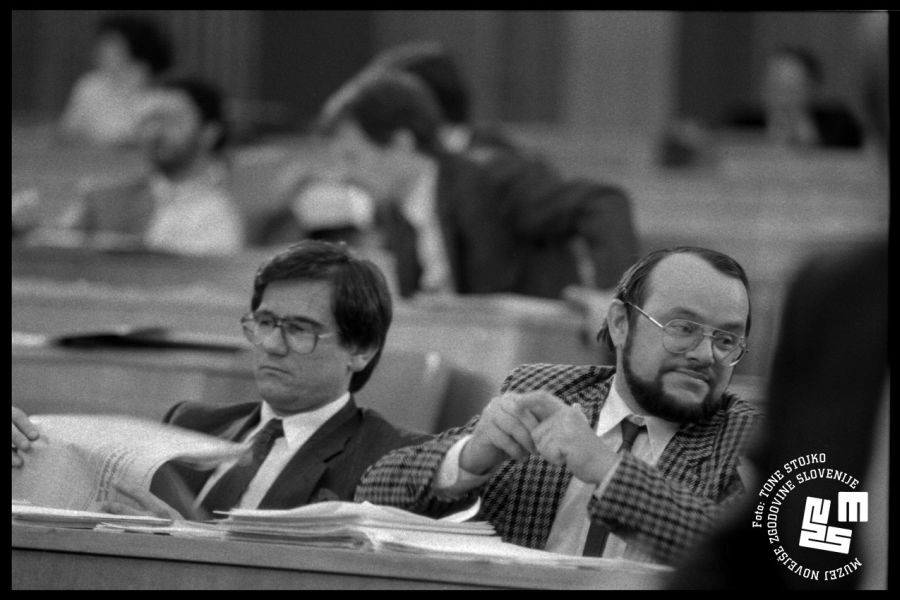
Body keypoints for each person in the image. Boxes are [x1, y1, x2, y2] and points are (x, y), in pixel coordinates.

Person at [355, 246, 761, 565]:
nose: (706, 354)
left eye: (726, 340)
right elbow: (370, 494)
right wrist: (468, 459)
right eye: (683, 329)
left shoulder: (749, 438)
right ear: (621, 324)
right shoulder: (544, 390)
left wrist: (607, 470)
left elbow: (760, 560)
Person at [12, 240, 427, 518]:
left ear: (362, 349)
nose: (272, 345)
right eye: (265, 322)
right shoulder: (191, 422)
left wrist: (185, 546)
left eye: (299, 330)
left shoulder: (392, 459)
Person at [315, 68, 640, 299]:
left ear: (401, 143)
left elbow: (604, 203)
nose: (343, 174)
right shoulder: (395, 213)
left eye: (351, 157)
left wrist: (612, 298)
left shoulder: (493, 178)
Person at [18, 76, 245, 255]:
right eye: (149, 120)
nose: (156, 132)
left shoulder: (247, 199)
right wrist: (26, 232)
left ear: (209, 132)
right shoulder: (104, 200)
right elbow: (59, 254)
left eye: (171, 119)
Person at [59, 13, 174, 146]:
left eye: (111, 47)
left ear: (135, 51)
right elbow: (67, 134)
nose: (100, 52)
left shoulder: (164, 96)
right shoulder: (90, 86)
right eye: (102, 46)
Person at [725, 46, 864, 149]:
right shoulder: (742, 122)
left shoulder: (838, 123)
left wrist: (808, 138)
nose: (781, 98)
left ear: (812, 89)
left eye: (790, 89)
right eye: (774, 86)